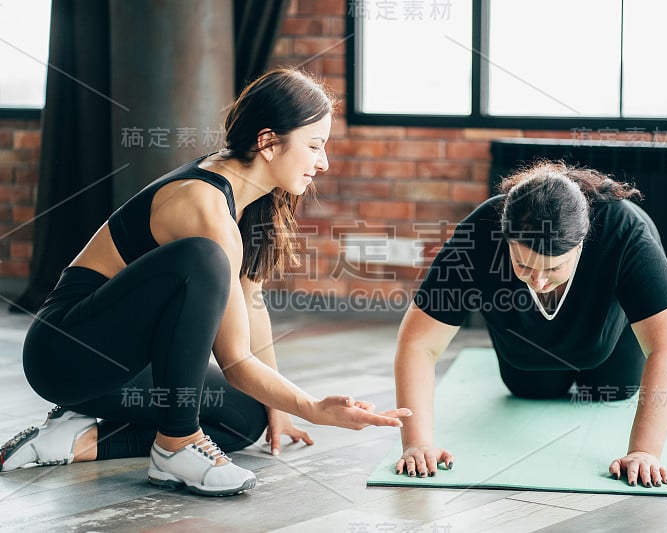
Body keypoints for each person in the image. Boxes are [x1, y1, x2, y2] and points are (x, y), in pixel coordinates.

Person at [0, 68, 410, 496]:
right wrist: (312, 407)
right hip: (66, 355)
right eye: (314, 146)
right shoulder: (205, 206)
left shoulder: (248, 198)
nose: (323, 162)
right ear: (268, 142)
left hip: (121, 368)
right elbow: (233, 358)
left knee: (249, 416)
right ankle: (176, 447)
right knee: (203, 258)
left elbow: (251, 303)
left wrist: (280, 406)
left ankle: (75, 440)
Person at [393, 161, 667, 488]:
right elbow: (418, 344)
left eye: (553, 268)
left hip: (608, 339)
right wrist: (417, 443)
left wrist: (645, 451)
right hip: (525, 349)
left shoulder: (624, 231)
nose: (538, 280)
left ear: (580, 245)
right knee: (531, 388)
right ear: (506, 239)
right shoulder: (476, 235)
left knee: (615, 389)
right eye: (523, 264)